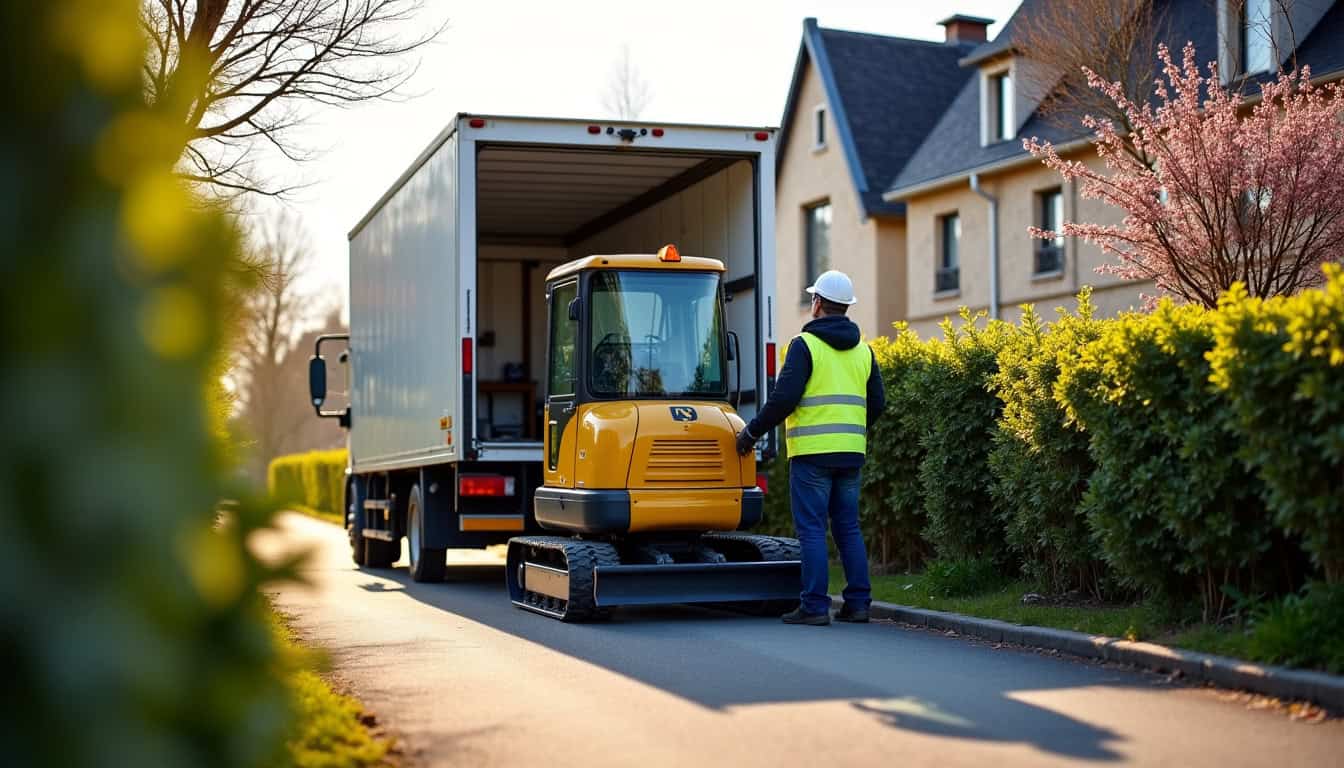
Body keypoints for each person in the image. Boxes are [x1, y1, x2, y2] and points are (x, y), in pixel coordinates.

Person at [735, 269, 884, 626]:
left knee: (813, 529)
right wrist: (852, 434)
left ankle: (815, 606)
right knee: (848, 527)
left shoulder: (805, 346)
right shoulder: (864, 351)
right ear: (846, 307)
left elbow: (783, 399)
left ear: (817, 303)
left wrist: (750, 433)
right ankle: (858, 604)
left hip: (812, 456)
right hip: (850, 453)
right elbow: (877, 402)